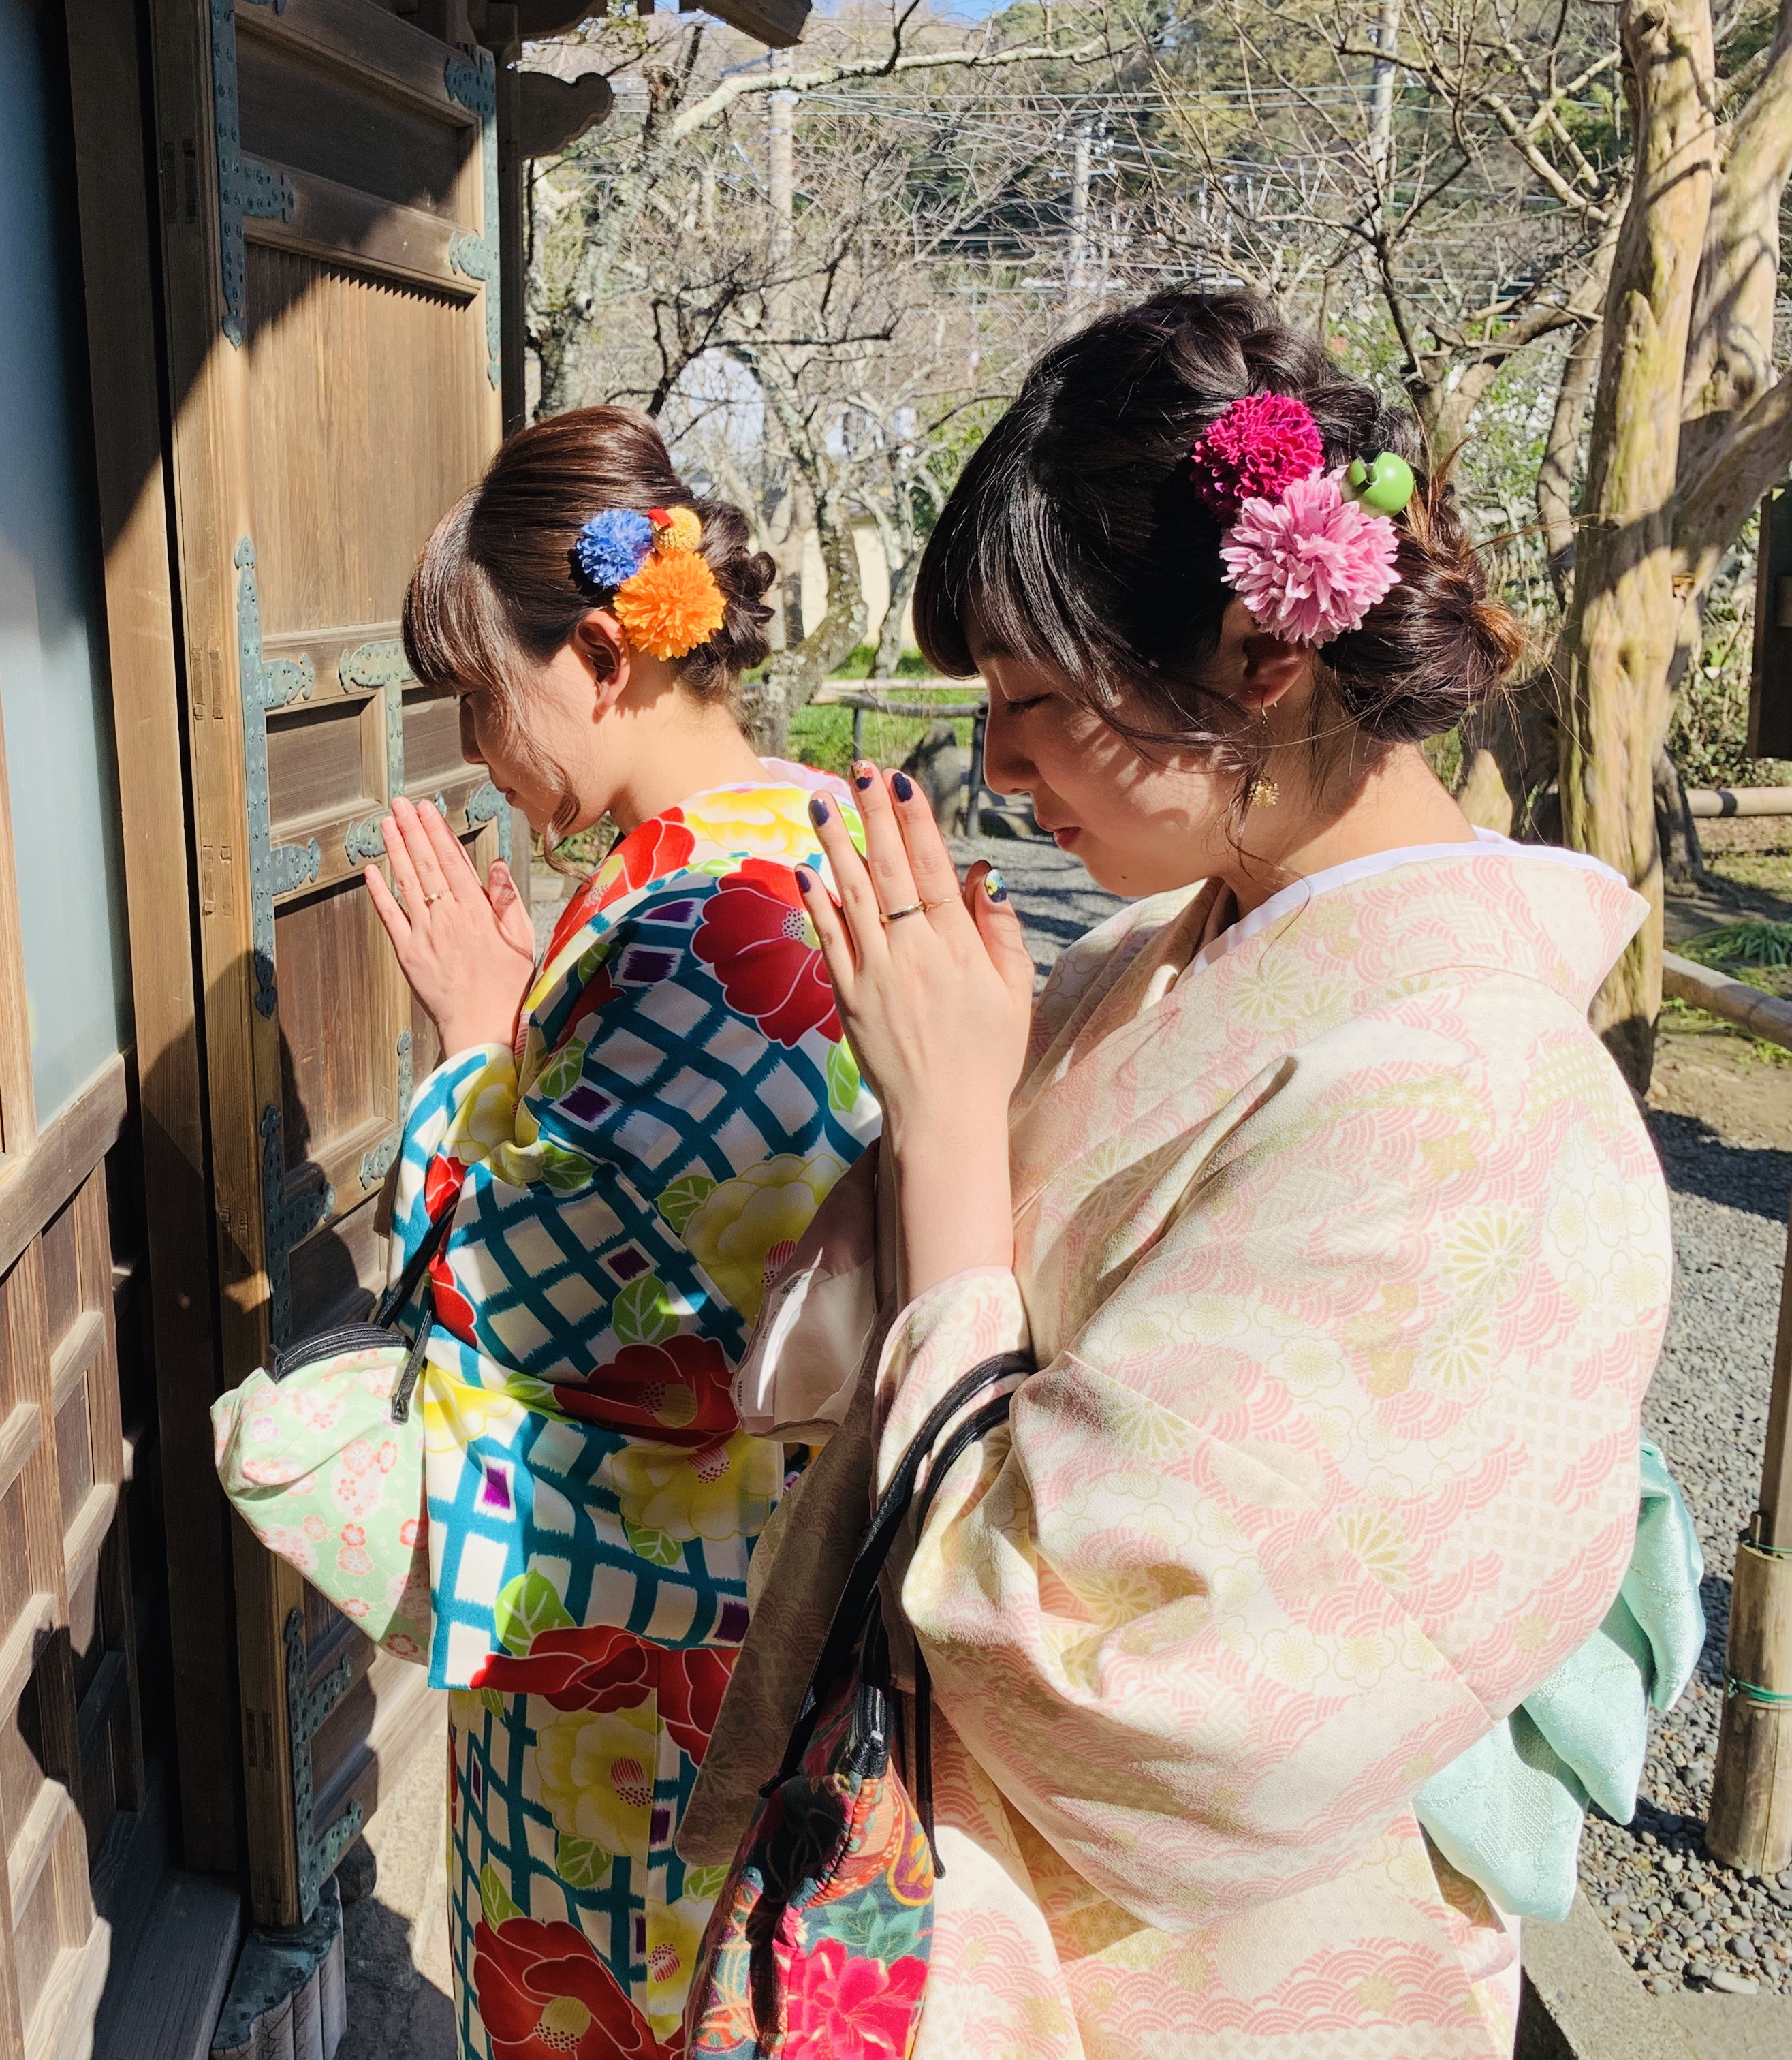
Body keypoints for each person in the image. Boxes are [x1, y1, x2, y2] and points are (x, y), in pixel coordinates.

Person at [678, 289, 1681, 2059]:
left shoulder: (1467, 1097)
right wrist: (945, 1090)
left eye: (1035, 702)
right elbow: (827, 1367)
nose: (994, 767)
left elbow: (1112, 1665)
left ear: (1260, 656)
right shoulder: (1150, 953)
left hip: (1196, 1982)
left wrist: (954, 1136)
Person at [363, 407, 882, 2060]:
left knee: (617, 2000)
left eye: (478, 694)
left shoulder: (709, 917)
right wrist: (532, 1030)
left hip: (647, 1628)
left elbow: (517, 1286)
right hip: (741, 1589)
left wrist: (464, 1050)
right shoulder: (799, 839)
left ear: (597, 654)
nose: (474, 746)